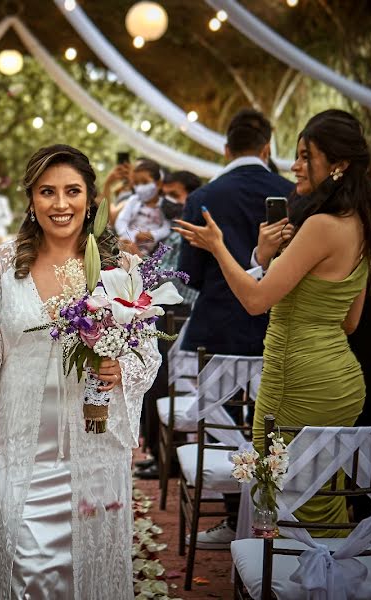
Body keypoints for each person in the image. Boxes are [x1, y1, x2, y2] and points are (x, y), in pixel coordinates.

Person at [0, 145, 161, 598]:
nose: (60, 204)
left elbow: (148, 353)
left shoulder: (120, 267)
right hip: (19, 446)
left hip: (92, 448)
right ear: (31, 199)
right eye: (47, 192)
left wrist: (122, 367)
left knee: (88, 573)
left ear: (90, 198)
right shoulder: (3, 264)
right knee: (27, 567)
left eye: (72, 191)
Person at [174, 109, 371, 536]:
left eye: (306, 156)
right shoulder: (360, 223)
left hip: (296, 380)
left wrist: (218, 247)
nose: (295, 166)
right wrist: (265, 259)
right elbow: (350, 322)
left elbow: (255, 300)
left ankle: (298, 581)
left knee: (288, 503)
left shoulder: (321, 225)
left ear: (338, 165)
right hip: (341, 379)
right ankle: (329, 577)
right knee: (321, 496)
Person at [177, 108, 293, 360]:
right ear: (267, 150)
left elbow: (189, 273)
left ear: (227, 150)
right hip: (279, 330)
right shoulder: (295, 194)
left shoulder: (201, 198)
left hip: (217, 330)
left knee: (218, 400)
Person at [136, 169, 203, 481]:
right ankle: (156, 453)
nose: (170, 202)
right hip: (161, 310)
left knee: (167, 384)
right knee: (153, 383)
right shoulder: (171, 228)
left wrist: (141, 264)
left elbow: (174, 274)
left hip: (180, 313)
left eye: (176, 195)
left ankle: (170, 460)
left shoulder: (192, 229)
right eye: (168, 195)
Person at [114, 158, 170, 256]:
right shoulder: (133, 200)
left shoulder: (164, 206)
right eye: (136, 183)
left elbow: (167, 227)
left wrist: (152, 235)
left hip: (146, 253)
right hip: (126, 244)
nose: (140, 187)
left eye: (145, 182)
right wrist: (130, 236)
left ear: (158, 184)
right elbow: (121, 221)